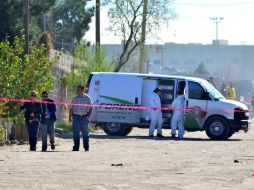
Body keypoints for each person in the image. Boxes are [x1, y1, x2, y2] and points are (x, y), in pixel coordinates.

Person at [69, 85, 93, 151]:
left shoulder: (87, 98)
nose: (77, 91)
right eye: (77, 90)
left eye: (79, 90)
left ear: (83, 90)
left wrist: (88, 117)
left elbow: (91, 108)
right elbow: (71, 108)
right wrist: (70, 117)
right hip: (76, 117)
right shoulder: (74, 98)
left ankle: (86, 147)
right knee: (76, 133)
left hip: (84, 117)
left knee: (85, 133)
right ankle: (76, 147)